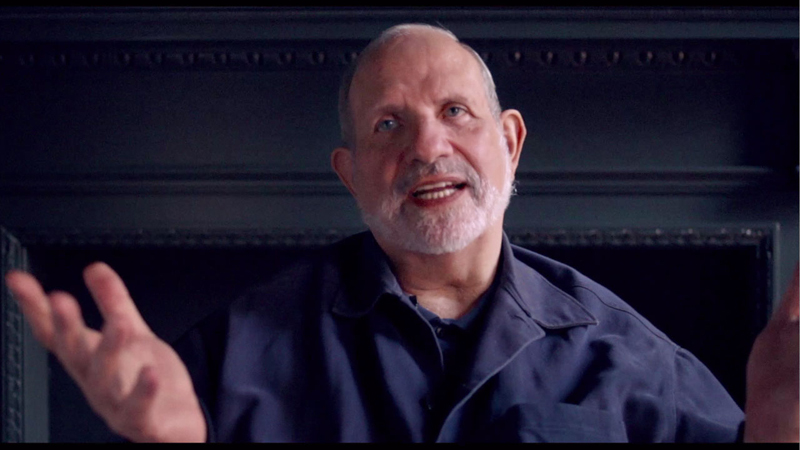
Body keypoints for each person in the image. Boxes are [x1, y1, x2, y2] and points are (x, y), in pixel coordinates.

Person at [4, 23, 798, 443]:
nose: (427, 146)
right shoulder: (235, 351)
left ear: (510, 142)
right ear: (350, 173)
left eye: (455, 111)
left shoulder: (634, 358)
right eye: (390, 124)